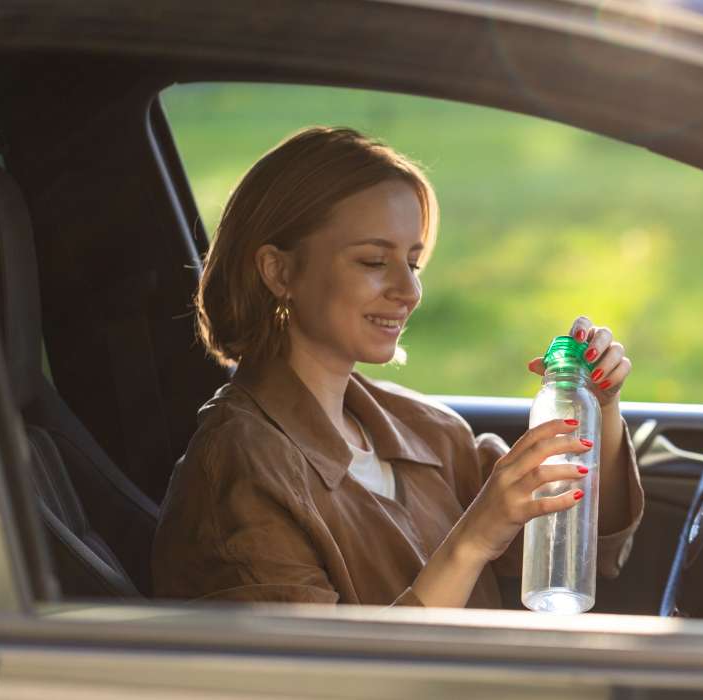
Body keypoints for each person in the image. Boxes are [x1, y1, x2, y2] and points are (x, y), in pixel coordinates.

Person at [151, 126, 645, 608]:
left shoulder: (427, 429)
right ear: (279, 271)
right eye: (372, 261)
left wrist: (600, 409)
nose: (408, 292)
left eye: (413, 263)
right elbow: (315, 680)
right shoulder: (239, 475)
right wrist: (472, 540)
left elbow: (585, 551)